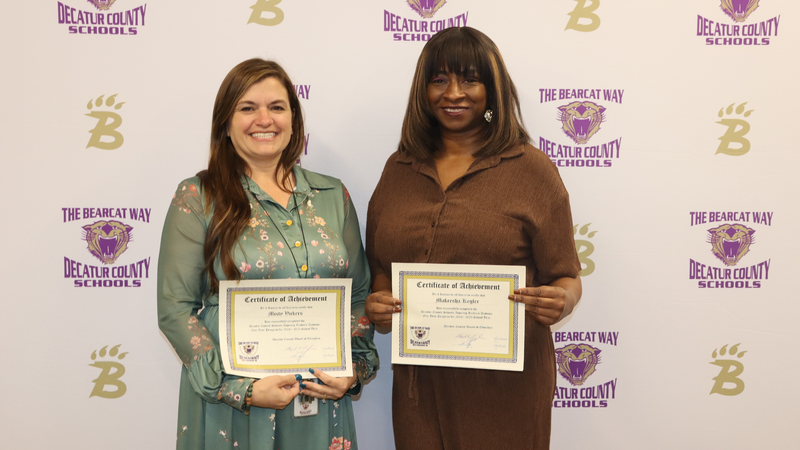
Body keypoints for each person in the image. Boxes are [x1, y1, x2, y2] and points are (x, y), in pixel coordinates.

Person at [365, 27, 582, 449]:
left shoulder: (531, 170)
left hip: (503, 389)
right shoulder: (399, 168)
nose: (453, 93)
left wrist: (563, 300)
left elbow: (566, 276)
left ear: (492, 90)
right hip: (418, 385)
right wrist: (379, 301)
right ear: (423, 91)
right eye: (439, 80)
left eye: (469, 79)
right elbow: (380, 266)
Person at [158, 58, 378, 450]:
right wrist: (237, 388)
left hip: (321, 402)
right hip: (235, 409)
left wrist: (353, 370)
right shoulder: (198, 197)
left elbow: (358, 294)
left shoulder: (333, 196)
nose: (265, 119)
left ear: (294, 119)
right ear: (225, 123)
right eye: (248, 108)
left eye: (277, 107)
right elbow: (175, 307)